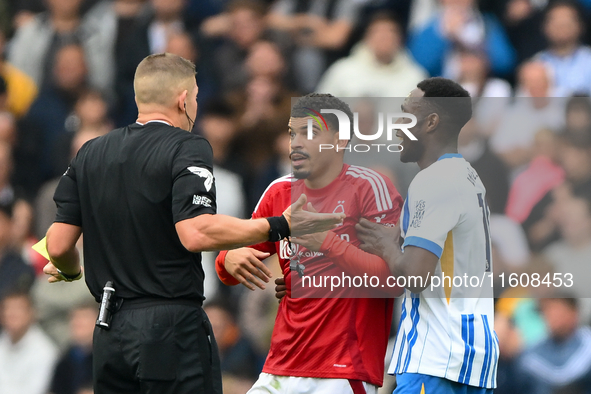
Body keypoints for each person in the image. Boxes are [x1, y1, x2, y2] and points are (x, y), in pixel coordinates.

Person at [41, 53, 343, 394]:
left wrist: (70, 271)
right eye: (196, 97)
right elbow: (195, 231)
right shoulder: (187, 146)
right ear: (183, 99)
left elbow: (58, 245)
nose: (196, 106)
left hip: (109, 332)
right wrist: (277, 225)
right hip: (168, 328)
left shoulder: (90, 151)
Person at [215, 93, 404, 393]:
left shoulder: (370, 189)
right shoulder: (278, 192)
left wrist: (326, 242)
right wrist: (227, 259)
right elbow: (231, 259)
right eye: (292, 133)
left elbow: (392, 281)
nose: (296, 143)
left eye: (310, 132)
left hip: (344, 369)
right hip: (283, 362)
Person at [355, 77, 498, 392]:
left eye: (406, 114)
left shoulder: (432, 180)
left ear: (431, 122)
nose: (396, 124)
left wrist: (385, 247)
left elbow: (416, 275)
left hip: (437, 360)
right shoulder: (469, 177)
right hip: (473, 358)